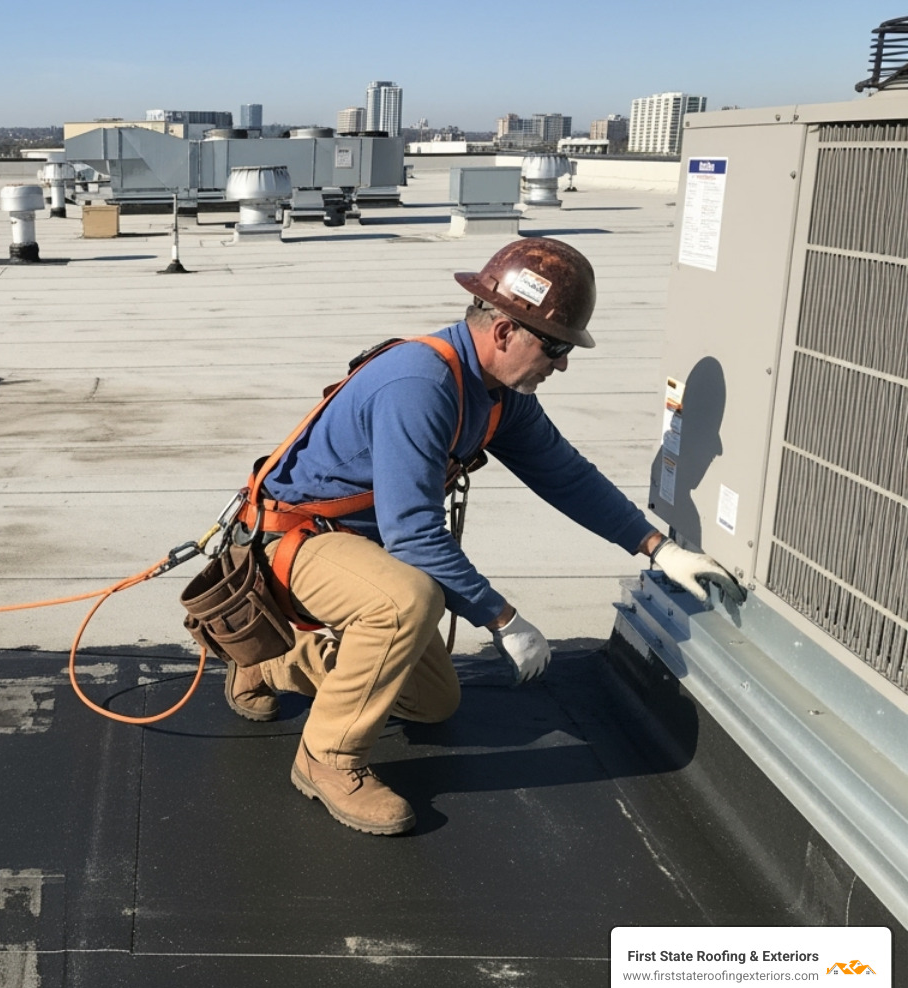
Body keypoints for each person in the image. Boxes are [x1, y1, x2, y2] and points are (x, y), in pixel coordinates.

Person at [223, 237, 741, 836]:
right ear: (503, 332)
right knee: (407, 602)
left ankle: (279, 661)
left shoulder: (497, 394)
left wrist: (659, 547)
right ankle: (327, 759)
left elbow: (565, 474)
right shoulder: (420, 383)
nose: (563, 364)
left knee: (435, 702)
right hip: (294, 543)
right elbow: (414, 535)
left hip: (359, 549)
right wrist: (503, 618)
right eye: (555, 347)